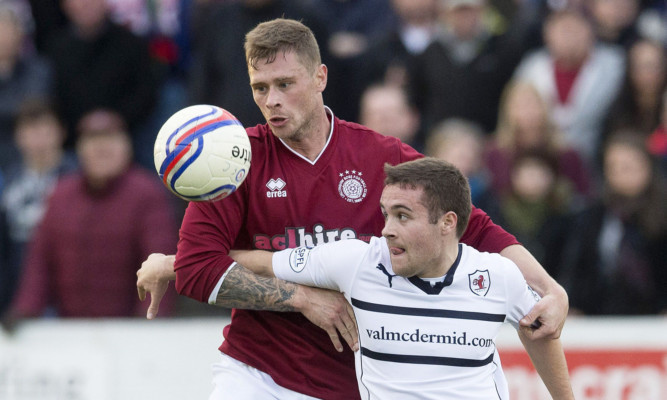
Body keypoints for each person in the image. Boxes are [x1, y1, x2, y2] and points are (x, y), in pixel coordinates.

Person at [136, 18, 568, 400]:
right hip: (257, 373)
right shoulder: (232, 159)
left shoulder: (379, 155)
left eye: (285, 84)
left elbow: (474, 229)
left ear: (320, 76)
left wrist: (551, 290)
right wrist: (302, 298)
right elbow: (198, 269)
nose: (271, 101)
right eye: (260, 88)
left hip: (355, 381)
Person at [222, 157, 574, 399]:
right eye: (385, 214)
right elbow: (264, 263)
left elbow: (539, 329)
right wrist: (178, 264)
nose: (387, 230)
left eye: (403, 216)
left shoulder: (497, 275)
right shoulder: (355, 261)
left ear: (447, 223)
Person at [3, 109, 177, 322]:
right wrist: (24, 310)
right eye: (93, 142)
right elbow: (39, 263)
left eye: (110, 141)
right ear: (79, 150)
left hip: (130, 328)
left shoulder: (147, 194)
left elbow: (160, 264)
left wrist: (149, 318)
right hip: (71, 329)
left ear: (127, 147)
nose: (101, 149)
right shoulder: (60, 195)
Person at [557, 132, 667, 315]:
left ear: (647, 168)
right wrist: (572, 306)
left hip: (654, 322)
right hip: (601, 322)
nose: (619, 175)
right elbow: (576, 271)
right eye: (613, 167)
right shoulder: (593, 217)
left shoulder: (662, 215)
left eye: (627, 167)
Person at [0, 99, 77, 316]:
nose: (39, 137)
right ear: (18, 136)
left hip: (64, 281)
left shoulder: (79, 176)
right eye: (31, 130)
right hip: (16, 281)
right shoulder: (7, 179)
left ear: (61, 132)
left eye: (45, 128)